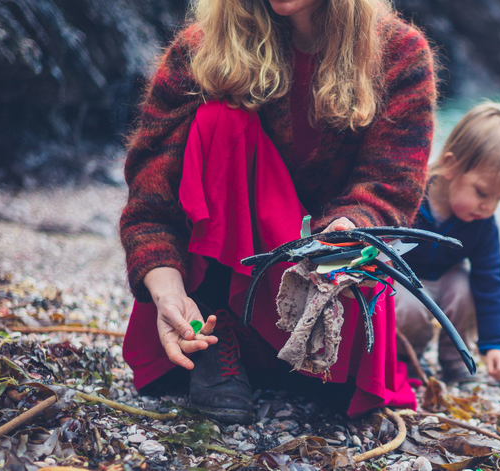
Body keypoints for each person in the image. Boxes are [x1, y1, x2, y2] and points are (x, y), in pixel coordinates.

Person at [119, 0, 436, 424]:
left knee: (349, 253)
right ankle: (216, 336)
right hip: (208, 316)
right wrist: (167, 293)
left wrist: (347, 231)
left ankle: (305, 362)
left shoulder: (400, 54)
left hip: (331, 287)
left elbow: (389, 190)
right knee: (220, 121)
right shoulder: (205, 47)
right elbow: (150, 194)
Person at [396, 101, 500, 384]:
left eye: (499, 199)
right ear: (451, 166)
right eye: (482, 193)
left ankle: (457, 359)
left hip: (444, 276)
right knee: (408, 307)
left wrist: (494, 345)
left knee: (466, 288)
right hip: (401, 277)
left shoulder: (482, 225)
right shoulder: (410, 197)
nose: (489, 207)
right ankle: (406, 357)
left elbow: (490, 280)